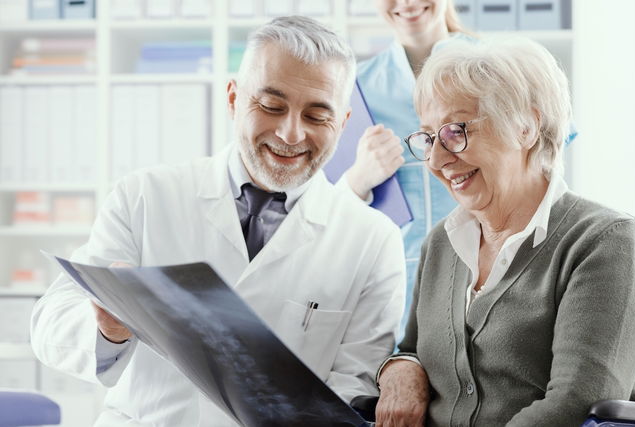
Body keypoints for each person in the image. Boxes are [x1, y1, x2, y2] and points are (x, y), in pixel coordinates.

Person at [30, 16, 406, 427]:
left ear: (344, 123)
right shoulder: (144, 196)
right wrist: (108, 329)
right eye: (271, 106)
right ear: (232, 98)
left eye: (317, 116)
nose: (292, 133)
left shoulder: (374, 241)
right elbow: (50, 324)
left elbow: (354, 386)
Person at [374, 36, 635, 426]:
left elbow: (577, 402)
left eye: (455, 131)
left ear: (525, 127)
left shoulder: (604, 242)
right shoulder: (441, 244)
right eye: (429, 137)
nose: (435, 158)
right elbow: (413, 348)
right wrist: (400, 368)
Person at [343, 0, 470, 328]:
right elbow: (328, 219)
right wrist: (358, 180)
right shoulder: (353, 90)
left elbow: (541, 179)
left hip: (486, 280)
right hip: (395, 295)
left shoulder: (500, 68)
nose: (407, 3)